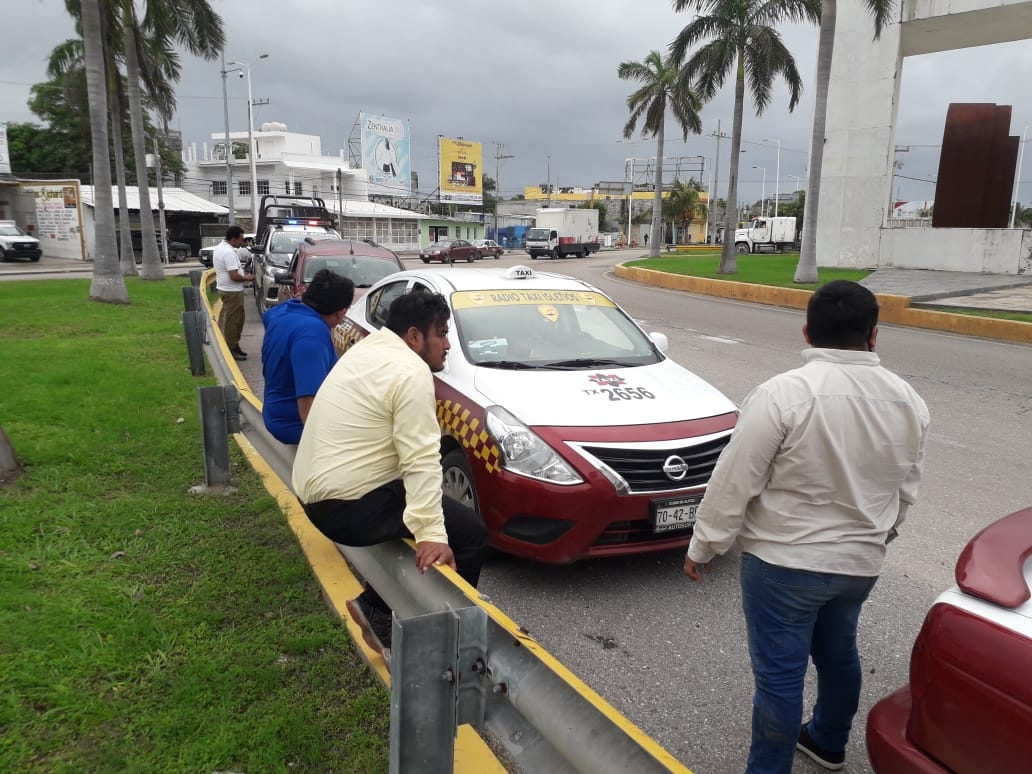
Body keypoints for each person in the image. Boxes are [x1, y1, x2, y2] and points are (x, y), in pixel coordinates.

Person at [682, 280, 929, 774]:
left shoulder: (784, 394)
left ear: (808, 333)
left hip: (784, 565)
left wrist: (704, 546)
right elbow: (905, 488)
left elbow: (735, 480)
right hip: (859, 565)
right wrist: (879, 536)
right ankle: (827, 742)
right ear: (873, 335)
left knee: (779, 676)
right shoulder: (909, 401)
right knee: (839, 656)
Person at [291, 291, 487, 662]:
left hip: (316, 495)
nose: (447, 345)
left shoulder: (371, 348)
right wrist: (431, 534)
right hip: (348, 507)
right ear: (414, 336)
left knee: (423, 505)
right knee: (470, 535)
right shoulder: (411, 372)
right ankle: (447, 649)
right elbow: (422, 460)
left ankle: (373, 608)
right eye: (441, 334)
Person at [260, 269, 355, 445]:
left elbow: (268, 317)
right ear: (341, 312)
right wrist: (321, 446)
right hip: (293, 424)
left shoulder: (285, 311)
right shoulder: (312, 335)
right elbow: (307, 401)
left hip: (275, 410)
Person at [212, 225, 255, 361]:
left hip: (229, 289)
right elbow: (234, 276)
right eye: (240, 239)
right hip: (232, 291)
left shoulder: (222, 248)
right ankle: (231, 348)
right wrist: (247, 278)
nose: (242, 243)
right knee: (233, 321)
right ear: (233, 238)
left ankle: (234, 345)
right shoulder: (229, 253)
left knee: (238, 319)